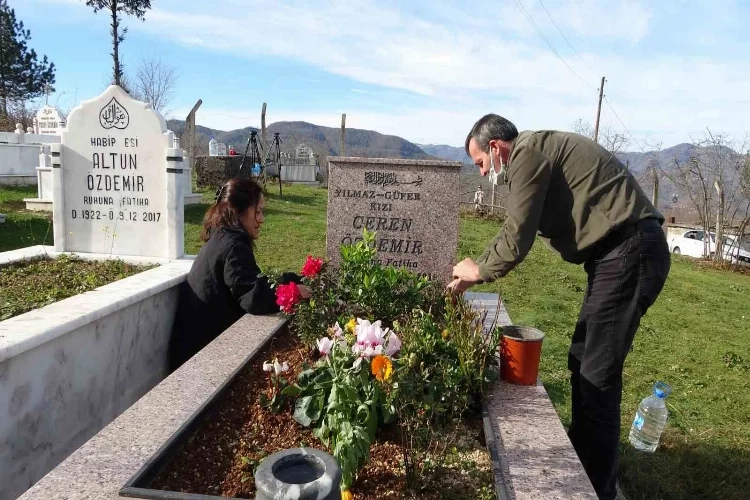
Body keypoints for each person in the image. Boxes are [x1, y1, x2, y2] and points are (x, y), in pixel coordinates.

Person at [449, 114, 670, 500]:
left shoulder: (527, 154)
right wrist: (474, 272)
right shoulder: (533, 153)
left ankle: (596, 487)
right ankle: (584, 460)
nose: (484, 174)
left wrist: (479, 270)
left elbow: (517, 239)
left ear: (497, 148)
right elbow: (513, 227)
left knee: (597, 376)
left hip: (629, 252)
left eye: (481, 163)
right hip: (614, 257)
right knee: (583, 360)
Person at [168, 177, 311, 372]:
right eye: (257, 211)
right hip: (197, 362)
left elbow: (251, 281)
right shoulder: (233, 246)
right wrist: (294, 292)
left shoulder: (223, 237)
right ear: (238, 212)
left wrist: (292, 279)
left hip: (195, 350)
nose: (261, 219)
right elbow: (253, 297)